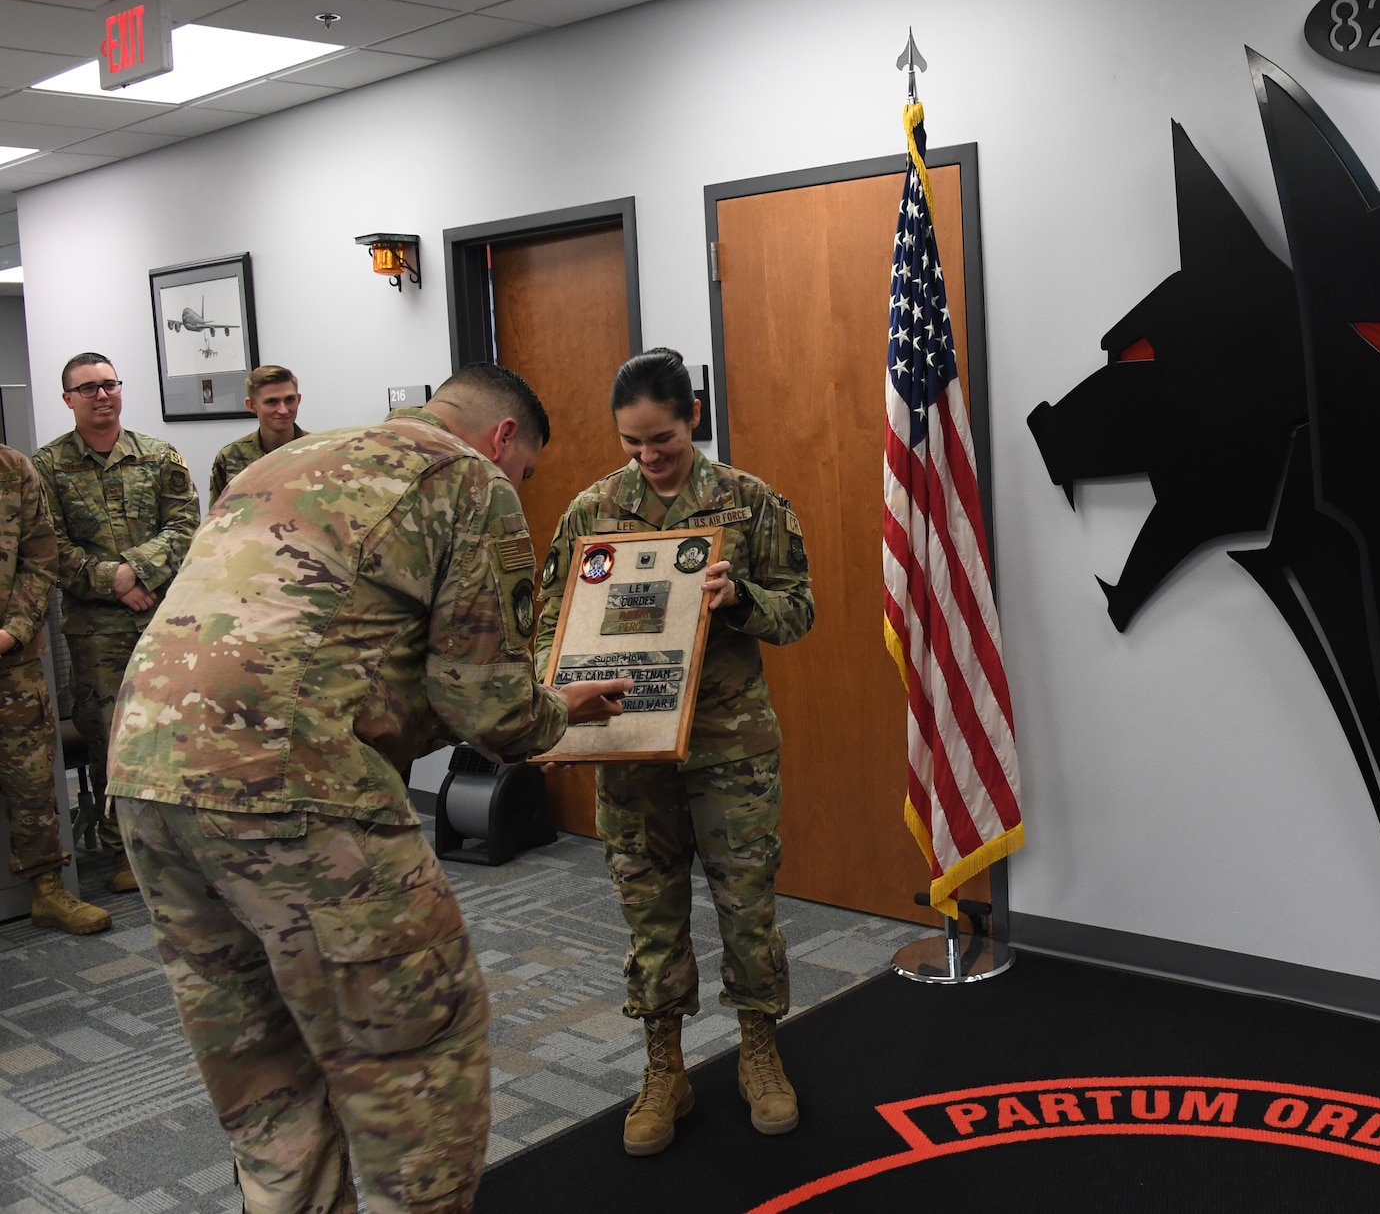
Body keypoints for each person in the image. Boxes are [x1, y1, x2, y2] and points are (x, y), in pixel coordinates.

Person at [106, 365, 631, 1214]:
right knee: (416, 1066)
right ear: (503, 439)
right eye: (526, 470)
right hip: (294, 789)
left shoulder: (284, 461)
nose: (518, 487)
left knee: (264, 1077)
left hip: (145, 775)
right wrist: (549, 718)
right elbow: (484, 702)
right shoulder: (468, 479)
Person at [533, 346, 814, 1157]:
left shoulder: (749, 502)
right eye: (631, 443)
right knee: (649, 914)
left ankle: (760, 1053)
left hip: (730, 748)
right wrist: (547, 722)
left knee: (747, 907)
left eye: (662, 439)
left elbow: (800, 614)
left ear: (693, 416)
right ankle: (665, 1069)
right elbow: (552, 631)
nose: (648, 457)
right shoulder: (592, 512)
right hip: (630, 747)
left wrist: (739, 600)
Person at [32, 352, 198, 892]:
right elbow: (48, 547)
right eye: (89, 389)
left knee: (173, 730)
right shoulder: (47, 466)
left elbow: (185, 522)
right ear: (68, 400)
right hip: (96, 629)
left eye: (110, 385)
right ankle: (124, 850)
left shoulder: (158, 454)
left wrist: (139, 571)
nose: (102, 396)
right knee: (111, 739)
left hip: (163, 618)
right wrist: (113, 582)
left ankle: (184, 843)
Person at [0, 441, 110, 934]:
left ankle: (47, 890)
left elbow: (40, 556)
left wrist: (13, 629)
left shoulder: (12, 467)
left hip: (13, 656)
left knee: (32, 780)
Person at [208, 363, 308, 502]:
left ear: (298, 400)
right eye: (272, 402)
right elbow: (216, 518)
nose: (283, 410)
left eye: (289, 400)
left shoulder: (320, 451)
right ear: (251, 405)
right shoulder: (230, 457)